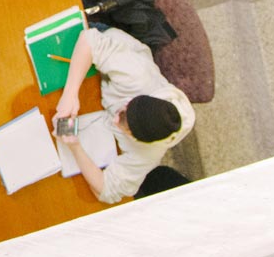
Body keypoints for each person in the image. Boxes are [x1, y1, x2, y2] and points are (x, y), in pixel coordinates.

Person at [52, 25, 196, 204]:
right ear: (133, 100)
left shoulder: (149, 153)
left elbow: (106, 192)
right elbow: (88, 40)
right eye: (122, 112)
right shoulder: (137, 76)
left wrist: (75, 147)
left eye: (124, 127)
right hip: (105, 55)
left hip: (97, 102)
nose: (114, 119)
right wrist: (70, 95)